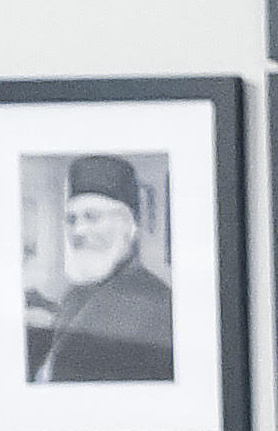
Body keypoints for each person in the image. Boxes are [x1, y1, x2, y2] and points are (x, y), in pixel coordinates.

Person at [34, 155, 179, 382]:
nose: (78, 231)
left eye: (92, 217)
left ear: (128, 225)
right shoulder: (74, 294)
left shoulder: (160, 302)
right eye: (71, 219)